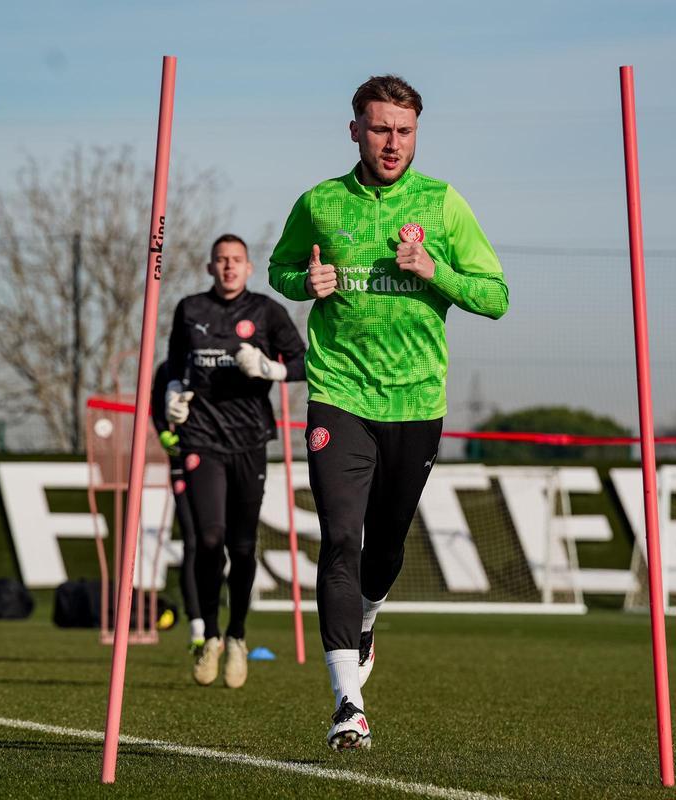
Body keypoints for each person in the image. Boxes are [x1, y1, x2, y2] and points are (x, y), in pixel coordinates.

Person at [268, 75, 508, 749]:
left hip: (416, 402)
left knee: (385, 548)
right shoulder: (319, 202)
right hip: (339, 395)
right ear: (354, 130)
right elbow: (282, 269)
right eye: (379, 129)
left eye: (403, 130)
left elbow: (496, 296)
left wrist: (436, 271)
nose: (391, 142)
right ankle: (348, 702)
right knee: (340, 538)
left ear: (416, 134)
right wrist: (302, 283)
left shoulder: (442, 203)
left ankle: (369, 615)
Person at [165, 233, 306, 688]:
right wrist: (171, 396)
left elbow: (306, 361)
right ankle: (209, 634)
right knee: (208, 539)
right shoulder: (190, 309)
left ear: (248, 268)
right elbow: (172, 366)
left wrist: (272, 368)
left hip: (249, 440)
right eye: (221, 260)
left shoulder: (266, 311)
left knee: (242, 548)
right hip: (201, 439)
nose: (228, 267)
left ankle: (238, 635)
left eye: (236, 260)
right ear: (210, 268)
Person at [150, 359, 204, 654]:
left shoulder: (214, 360)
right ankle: (196, 625)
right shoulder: (168, 368)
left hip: (216, 458)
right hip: (182, 463)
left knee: (217, 540)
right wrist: (164, 434)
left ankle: (224, 628)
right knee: (193, 542)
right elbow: (157, 410)